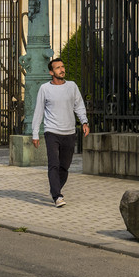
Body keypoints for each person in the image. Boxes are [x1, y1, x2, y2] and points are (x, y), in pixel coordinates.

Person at [31, 56, 89, 207]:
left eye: (62, 67)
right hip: (52, 132)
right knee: (54, 164)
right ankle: (57, 195)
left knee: (64, 166)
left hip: (69, 132)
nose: (62, 70)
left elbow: (79, 106)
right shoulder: (45, 88)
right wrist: (35, 134)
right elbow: (38, 112)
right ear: (51, 72)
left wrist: (84, 121)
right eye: (57, 68)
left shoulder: (72, 86)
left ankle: (54, 189)